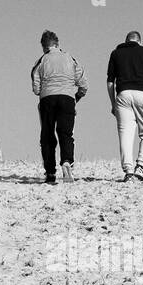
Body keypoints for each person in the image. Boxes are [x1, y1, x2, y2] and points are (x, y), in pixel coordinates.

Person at [106, 30, 143, 182]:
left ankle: (128, 171)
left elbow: (110, 82)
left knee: (125, 134)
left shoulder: (115, 54)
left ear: (126, 41)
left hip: (123, 95)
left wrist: (113, 103)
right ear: (139, 41)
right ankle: (140, 165)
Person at [31, 30, 88, 184]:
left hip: (47, 99)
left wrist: (44, 91)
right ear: (58, 44)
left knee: (47, 136)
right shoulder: (70, 58)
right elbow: (83, 83)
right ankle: (67, 162)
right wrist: (77, 96)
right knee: (66, 133)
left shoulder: (41, 61)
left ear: (44, 47)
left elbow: (36, 88)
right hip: (67, 99)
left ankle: (50, 172)